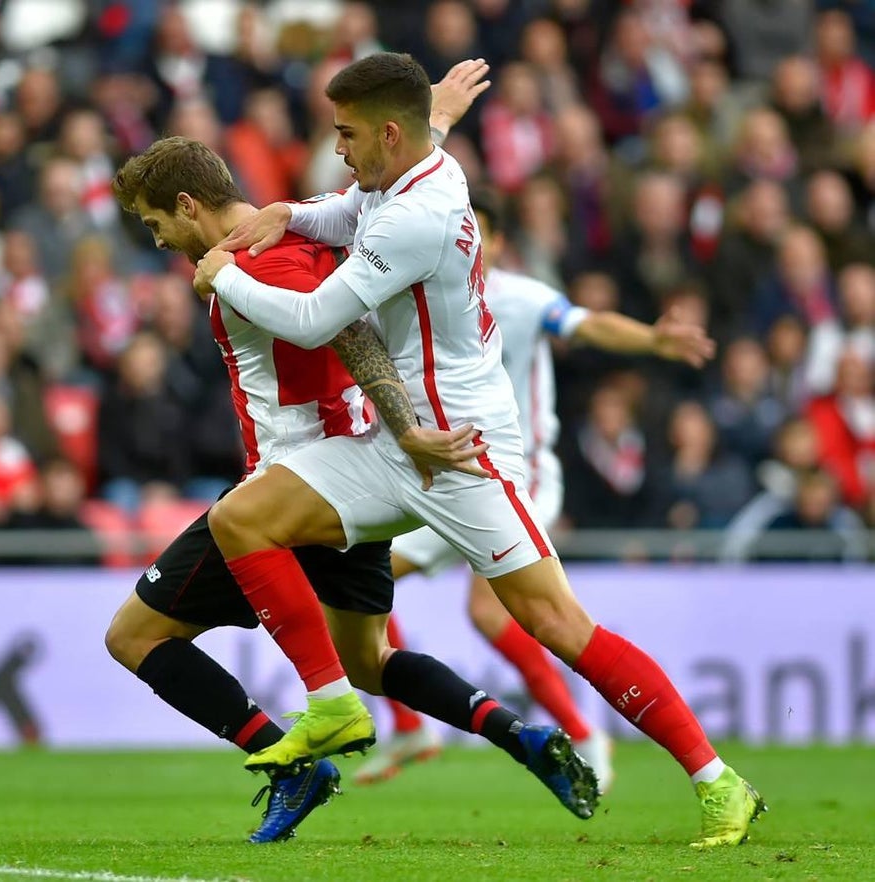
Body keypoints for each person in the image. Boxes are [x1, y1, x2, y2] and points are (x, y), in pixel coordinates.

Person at [195, 52, 764, 848]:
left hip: (464, 450)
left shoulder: (415, 217)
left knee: (558, 625)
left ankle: (719, 782)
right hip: (397, 441)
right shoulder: (420, 172)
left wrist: (221, 273)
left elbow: (318, 318)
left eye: (348, 135)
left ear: (392, 136)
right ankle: (333, 705)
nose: (340, 150)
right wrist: (290, 212)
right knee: (240, 519)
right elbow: (350, 205)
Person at [107, 61, 598, 845]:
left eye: (153, 220)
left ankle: (291, 756)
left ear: (187, 204)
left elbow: (349, 329)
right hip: (352, 484)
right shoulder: (288, 237)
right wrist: (434, 115)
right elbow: (382, 197)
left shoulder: (259, 263)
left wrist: (404, 429)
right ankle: (520, 736)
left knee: (133, 637)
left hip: (297, 488)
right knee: (372, 660)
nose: (155, 236)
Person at [355, 189, 717, 789]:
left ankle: (582, 731)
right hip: (442, 473)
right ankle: (412, 725)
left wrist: (652, 341)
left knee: (497, 613)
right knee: (367, 578)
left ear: (494, 243)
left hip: (518, 471)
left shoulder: (520, 298)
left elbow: (585, 323)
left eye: (482, 233)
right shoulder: (420, 294)